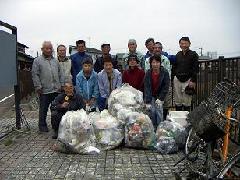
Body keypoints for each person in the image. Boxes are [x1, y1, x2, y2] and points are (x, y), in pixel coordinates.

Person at [32, 41, 64, 132]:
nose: (49, 50)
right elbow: (35, 74)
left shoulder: (55, 61)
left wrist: (61, 84)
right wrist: (38, 86)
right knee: (43, 109)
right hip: (44, 90)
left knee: (55, 108)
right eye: (47, 48)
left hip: (56, 90)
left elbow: (60, 73)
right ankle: (42, 125)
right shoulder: (37, 61)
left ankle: (55, 125)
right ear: (42, 49)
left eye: (50, 48)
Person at [172, 37, 199, 111]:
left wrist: (193, 80)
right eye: (182, 43)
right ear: (179, 45)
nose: (183, 45)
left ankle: (186, 119)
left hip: (188, 80)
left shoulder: (193, 54)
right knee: (178, 100)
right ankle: (178, 118)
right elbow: (174, 67)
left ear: (189, 44)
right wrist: (173, 77)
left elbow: (196, 68)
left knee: (187, 101)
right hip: (177, 79)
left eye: (185, 43)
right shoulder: (178, 54)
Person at [144, 55, 170, 129]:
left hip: (160, 95)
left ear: (160, 63)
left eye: (157, 62)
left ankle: (160, 128)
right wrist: (148, 101)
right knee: (152, 111)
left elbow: (166, 86)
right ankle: (153, 128)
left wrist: (161, 98)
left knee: (159, 112)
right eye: (153, 62)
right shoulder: (148, 73)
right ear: (150, 63)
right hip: (151, 95)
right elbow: (147, 87)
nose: (155, 64)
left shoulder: (165, 72)